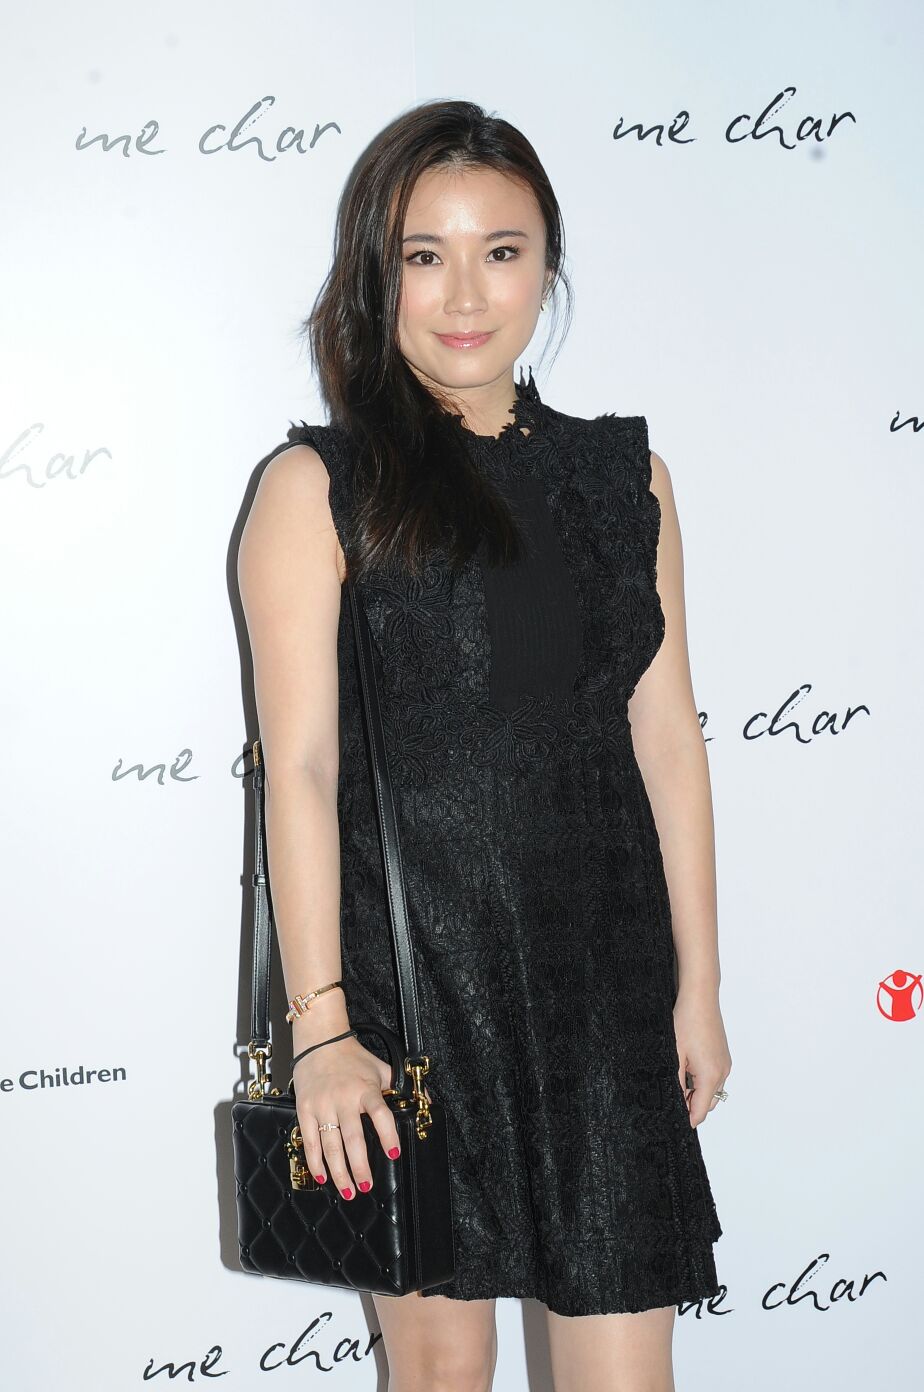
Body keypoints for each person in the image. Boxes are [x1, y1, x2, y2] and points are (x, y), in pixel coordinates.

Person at [238, 98, 731, 1392]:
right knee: (441, 1375)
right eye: (425, 255)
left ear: (547, 267)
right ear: (377, 275)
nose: (465, 294)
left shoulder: (625, 481)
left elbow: (669, 743)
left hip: (604, 993)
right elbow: (301, 772)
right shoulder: (319, 487)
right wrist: (322, 1031)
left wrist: (699, 990)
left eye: (502, 252)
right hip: (412, 1002)